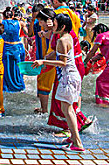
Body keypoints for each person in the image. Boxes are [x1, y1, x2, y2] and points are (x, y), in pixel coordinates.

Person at [32, 14, 85, 153]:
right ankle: (73, 137)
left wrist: (43, 62)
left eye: (54, 24)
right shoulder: (68, 37)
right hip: (72, 77)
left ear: (62, 27)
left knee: (67, 110)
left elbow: (63, 62)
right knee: (68, 108)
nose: (51, 26)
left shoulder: (62, 40)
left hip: (68, 78)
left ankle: (77, 143)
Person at [33, 8, 56, 114]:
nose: (40, 24)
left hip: (55, 62)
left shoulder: (58, 32)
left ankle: (44, 110)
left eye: (41, 22)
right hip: (58, 62)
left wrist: (45, 60)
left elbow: (58, 51)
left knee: (43, 82)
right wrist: (43, 34)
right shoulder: (56, 29)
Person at [1, 8, 27, 92]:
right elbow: (28, 33)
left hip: (6, 47)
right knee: (17, 67)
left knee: (6, 67)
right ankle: (19, 85)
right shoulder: (20, 23)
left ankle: (7, 86)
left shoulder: (2, 23)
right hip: (17, 47)